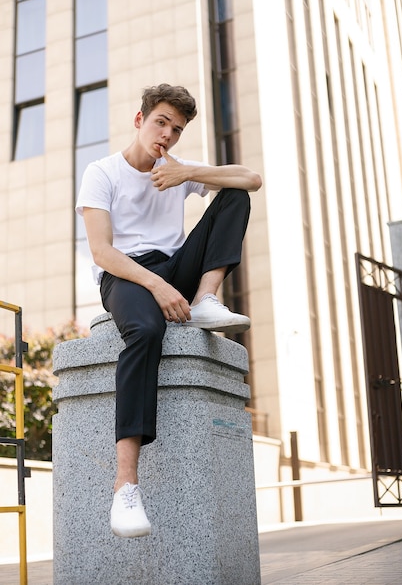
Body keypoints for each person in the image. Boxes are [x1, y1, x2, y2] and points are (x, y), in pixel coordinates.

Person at [75, 83, 262, 538]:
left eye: (176, 129)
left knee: (234, 195)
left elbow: (251, 179)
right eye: (160, 123)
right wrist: (156, 286)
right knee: (144, 330)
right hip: (125, 274)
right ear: (140, 120)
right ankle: (125, 486)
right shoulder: (102, 172)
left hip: (174, 266)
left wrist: (189, 174)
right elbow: (102, 252)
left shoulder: (175, 169)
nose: (167, 135)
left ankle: (205, 299)